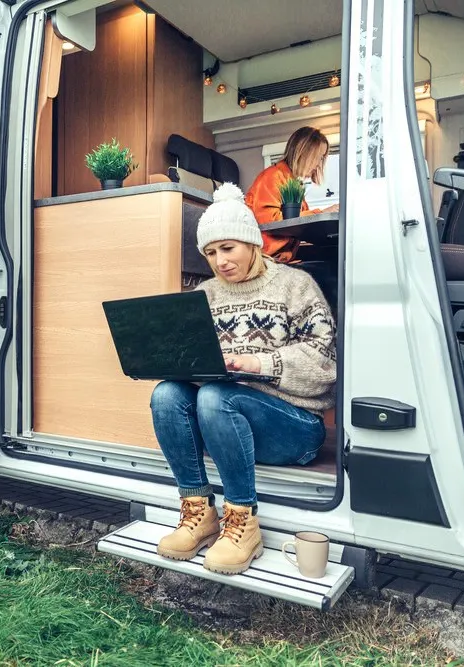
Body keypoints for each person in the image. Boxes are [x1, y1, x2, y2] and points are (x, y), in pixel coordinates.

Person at [151, 182, 336, 575]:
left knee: (218, 396)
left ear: (252, 243)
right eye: (211, 253)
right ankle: (198, 512)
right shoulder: (205, 294)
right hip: (224, 424)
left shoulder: (296, 285)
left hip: (296, 428)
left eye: (228, 248)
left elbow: (325, 365)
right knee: (167, 393)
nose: (220, 261)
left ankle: (243, 522)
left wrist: (257, 363)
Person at [244, 126, 339, 263]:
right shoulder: (272, 176)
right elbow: (270, 221)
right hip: (268, 258)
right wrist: (321, 213)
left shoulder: (294, 184)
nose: (319, 164)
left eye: (321, 158)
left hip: (284, 257)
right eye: (317, 157)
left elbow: (300, 224)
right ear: (303, 153)